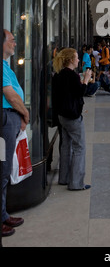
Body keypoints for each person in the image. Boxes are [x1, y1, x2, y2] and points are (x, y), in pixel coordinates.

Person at [2, 30, 30, 237]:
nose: (14, 43)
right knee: (1, 169)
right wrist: (24, 112)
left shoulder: (5, 65)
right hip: (4, 120)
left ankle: (2, 214)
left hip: (9, 118)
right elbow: (10, 95)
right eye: (11, 40)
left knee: (3, 170)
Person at [52, 48, 92, 190]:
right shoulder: (72, 76)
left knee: (65, 146)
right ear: (70, 60)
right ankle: (76, 183)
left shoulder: (58, 75)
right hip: (73, 116)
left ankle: (64, 178)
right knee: (79, 147)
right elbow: (80, 93)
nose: (78, 60)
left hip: (62, 115)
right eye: (76, 57)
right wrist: (86, 80)